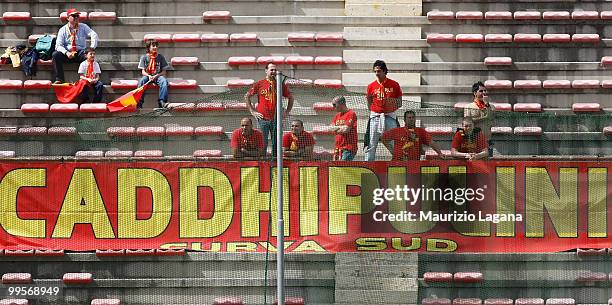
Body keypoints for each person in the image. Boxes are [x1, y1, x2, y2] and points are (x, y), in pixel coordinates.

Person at [245, 63, 294, 156]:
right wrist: (252, 111)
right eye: (271, 70)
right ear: (266, 71)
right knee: (263, 143)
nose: (274, 72)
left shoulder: (280, 84)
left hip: (276, 119)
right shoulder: (259, 84)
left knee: (276, 143)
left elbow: (291, 97)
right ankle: (263, 162)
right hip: (263, 118)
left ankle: (275, 162)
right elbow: (247, 96)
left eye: (275, 70)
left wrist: (287, 112)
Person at [364, 60, 402, 161]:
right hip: (375, 117)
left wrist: (390, 106)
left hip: (390, 116)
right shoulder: (371, 86)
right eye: (375, 71)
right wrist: (375, 110)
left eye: (379, 71)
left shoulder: (394, 84)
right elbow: (369, 102)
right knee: (371, 143)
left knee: (393, 141)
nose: (377, 73)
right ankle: (368, 165)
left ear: (385, 71)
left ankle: (398, 160)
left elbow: (400, 102)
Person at [52, 8, 98, 84]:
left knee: (88, 55)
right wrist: (66, 52)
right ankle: (59, 79)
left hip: (79, 52)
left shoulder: (83, 26)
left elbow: (94, 35)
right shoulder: (63, 30)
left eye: (77, 16)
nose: (76, 17)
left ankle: (86, 78)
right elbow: (58, 45)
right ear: (67, 18)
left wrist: (92, 47)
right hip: (67, 53)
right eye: (74, 16)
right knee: (55, 54)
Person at [381, 110, 445, 160]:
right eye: (409, 117)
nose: (411, 119)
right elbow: (383, 138)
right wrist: (392, 150)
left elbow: (431, 142)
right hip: (398, 163)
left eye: (413, 117)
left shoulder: (420, 131)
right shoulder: (397, 131)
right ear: (405, 120)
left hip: (414, 164)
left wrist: (439, 153)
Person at [464, 81, 495, 156]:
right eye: (481, 91)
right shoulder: (469, 106)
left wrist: (487, 105)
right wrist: (485, 117)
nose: (484, 93)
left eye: (485, 91)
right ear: (475, 93)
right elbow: (468, 122)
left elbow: (491, 119)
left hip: (487, 140)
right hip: (474, 140)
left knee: (489, 164)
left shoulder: (492, 106)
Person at [137, 39, 169, 108]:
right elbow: (143, 71)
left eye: (156, 46)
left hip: (157, 76)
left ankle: (162, 101)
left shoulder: (160, 57)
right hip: (147, 76)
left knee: (164, 81)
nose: (155, 47)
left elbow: (164, 71)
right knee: (142, 81)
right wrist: (148, 76)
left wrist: (157, 75)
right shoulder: (144, 57)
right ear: (149, 47)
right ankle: (139, 102)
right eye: (153, 46)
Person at [329, 96, 358, 160]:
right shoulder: (337, 116)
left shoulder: (351, 113)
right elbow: (330, 129)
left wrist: (336, 128)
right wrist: (341, 127)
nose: (333, 107)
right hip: (338, 147)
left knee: (343, 168)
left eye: (334, 104)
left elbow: (346, 130)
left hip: (348, 148)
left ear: (341, 103)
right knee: (336, 168)